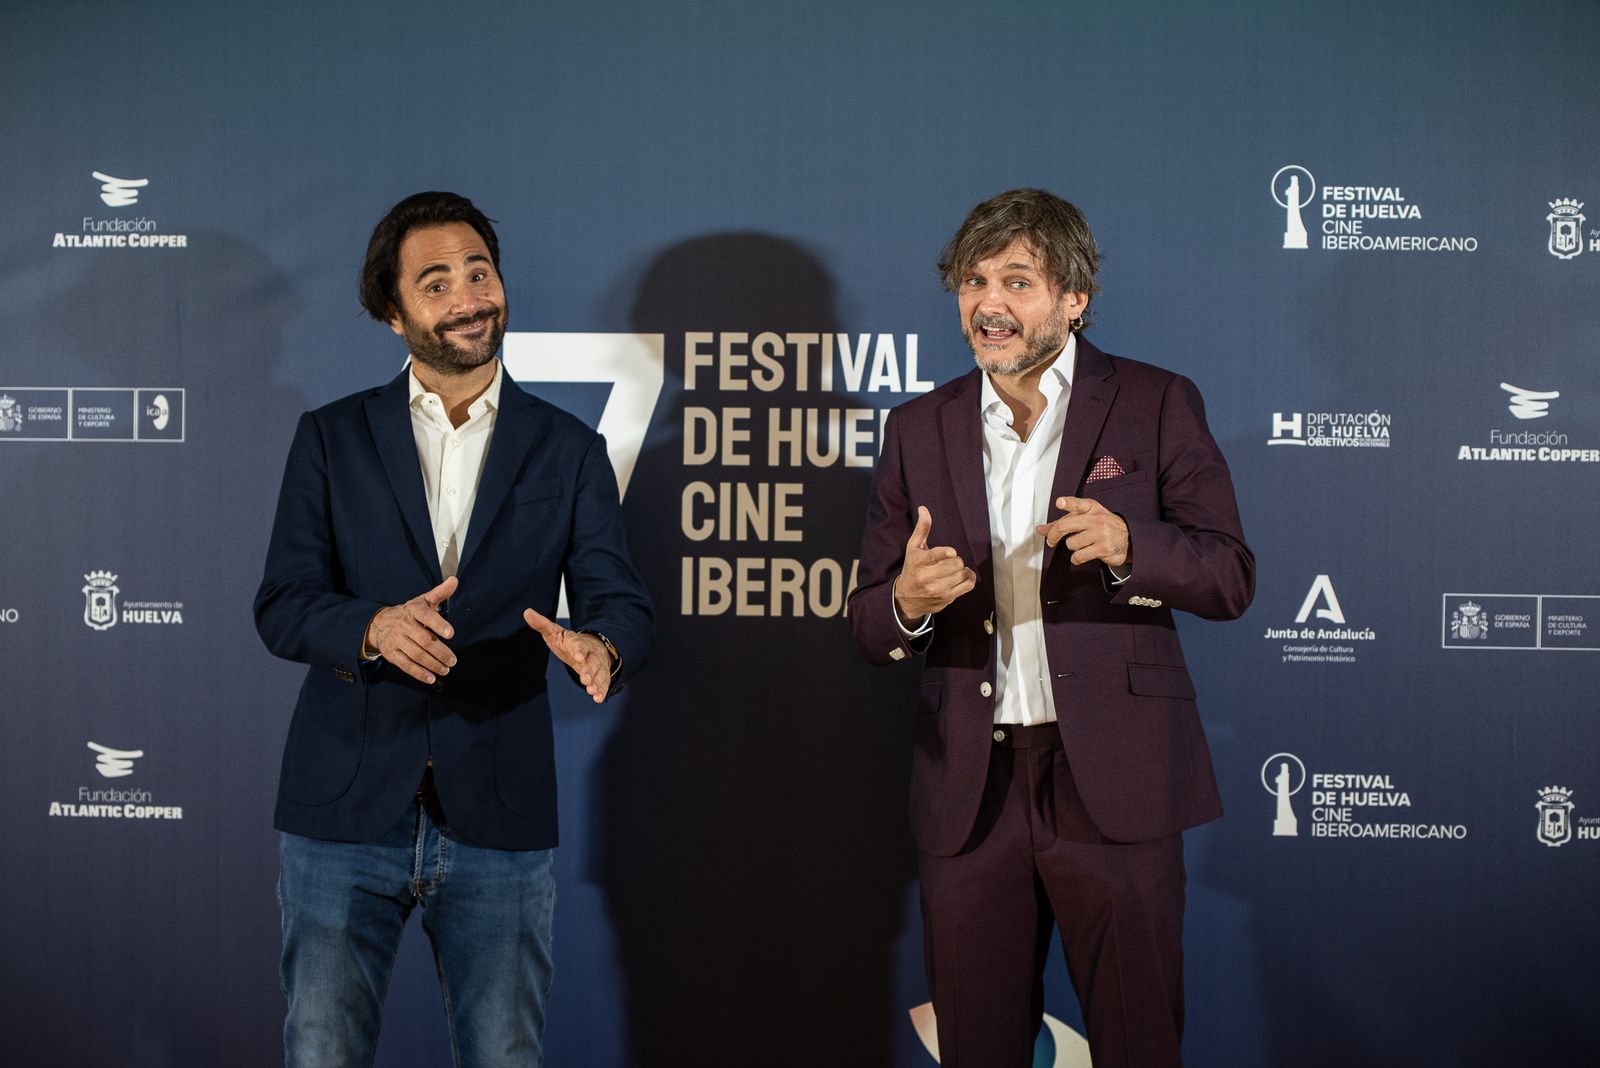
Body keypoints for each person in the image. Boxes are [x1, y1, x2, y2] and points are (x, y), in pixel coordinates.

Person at [848, 188, 1253, 1067]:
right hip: (969, 789)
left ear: (1074, 297)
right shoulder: (918, 427)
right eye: (973, 280)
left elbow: (1229, 574)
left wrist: (1129, 546)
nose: (989, 304)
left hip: (1117, 779)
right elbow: (867, 618)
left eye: (1017, 281)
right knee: (980, 1046)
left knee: (1138, 1040)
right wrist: (907, 603)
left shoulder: (1154, 402)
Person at [254, 191, 653, 1067]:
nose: (470, 296)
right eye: (437, 283)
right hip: (340, 810)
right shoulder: (330, 438)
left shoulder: (569, 449)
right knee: (322, 1052)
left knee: (505, 1054)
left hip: (498, 809)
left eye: (480, 272)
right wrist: (370, 629)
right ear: (393, 314)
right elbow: (283, 603)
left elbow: (618, 599)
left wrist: (603, 645)